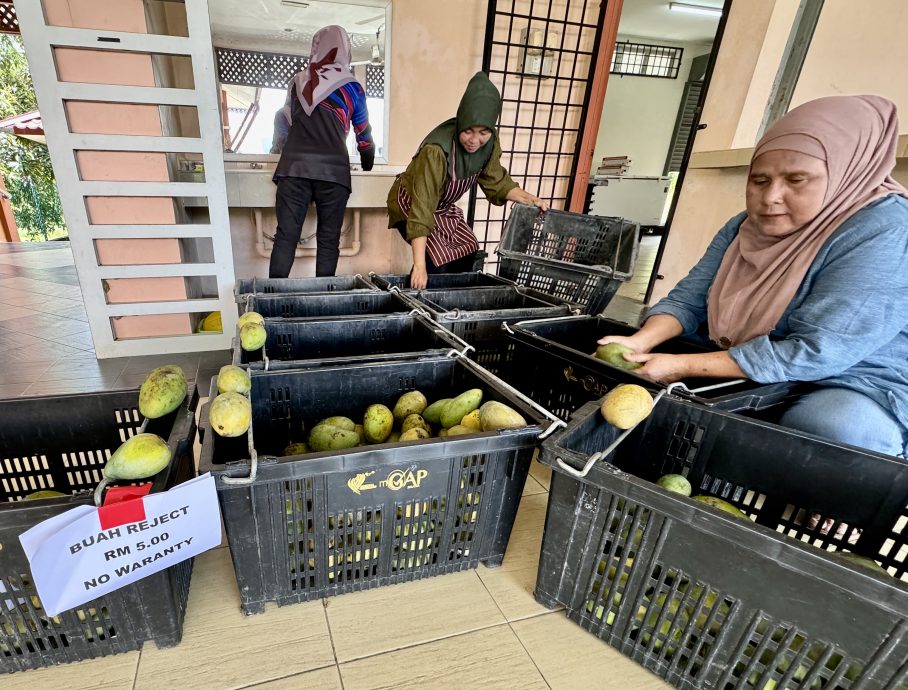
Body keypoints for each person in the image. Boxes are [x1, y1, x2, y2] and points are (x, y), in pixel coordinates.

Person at [599, 95, 908, 457]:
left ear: (847, 171)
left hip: (855, 376)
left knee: (834, 427)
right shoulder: (744, 226)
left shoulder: (886, 229)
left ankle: (850, 494)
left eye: (796, 179)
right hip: (743, 348)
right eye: (760, 180)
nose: (771, 197)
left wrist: (683, 364)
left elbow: (820, 351)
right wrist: (641, 342)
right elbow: (689, 298)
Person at [387, 71, 548, 289]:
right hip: (412, 202)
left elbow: (497, 182)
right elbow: (422, 209)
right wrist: (419, 266)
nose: (475, 140)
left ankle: (452, 303)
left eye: (483, 132)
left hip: (441, 206)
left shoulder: (489, 144)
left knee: (468, 247)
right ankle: (418, 304)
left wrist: (530, 199)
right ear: (460, 122)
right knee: (436, 256)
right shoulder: (436, 151)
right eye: (468, 131)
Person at [270, 25, 375, 278]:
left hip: (294, 168)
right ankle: (322, 301)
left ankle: (269, 302)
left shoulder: (298, 82)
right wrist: (368, 162)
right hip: (333, 173)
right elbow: (364, 136)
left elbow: (286, 122)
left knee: (286, 236)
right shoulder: (352, 88)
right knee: (328, 241)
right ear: (345, 51)